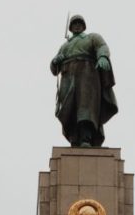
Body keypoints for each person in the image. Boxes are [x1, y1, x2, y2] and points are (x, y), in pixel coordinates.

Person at [50, 15, 118, 147]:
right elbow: (54, 70)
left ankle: (86, 138)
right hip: (68, 77)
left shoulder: (92, 37)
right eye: (74, 23)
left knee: (85, 108)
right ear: (70, 27)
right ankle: (74, 138)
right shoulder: (65, 46)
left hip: (87, 75)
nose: (77, 25)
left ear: (84, 25)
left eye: (79, 23)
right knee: (70, 109)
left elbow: (102, 46)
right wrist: (54, 62)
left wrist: (102, 56)